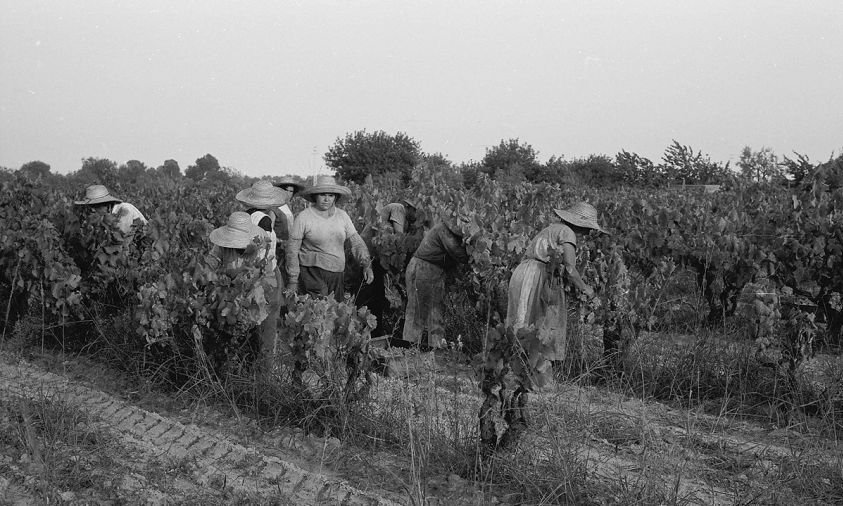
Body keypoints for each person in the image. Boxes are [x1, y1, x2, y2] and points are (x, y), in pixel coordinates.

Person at [505, 201, 608, 362]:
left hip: (522, 272)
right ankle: (535, 370)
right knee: (543, 323)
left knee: (523, 319)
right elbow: (570, 269)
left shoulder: (552, 228)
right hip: (537, 276)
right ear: (579, 224)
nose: (588, 233)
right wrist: (586, 289)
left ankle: (519, 365)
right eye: (588, 228)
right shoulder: (568, 233)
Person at [285, 175, 373, 301]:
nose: (326, 199)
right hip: (311, 272)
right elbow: (292, 249)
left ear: (335, 197)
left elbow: (356, 242)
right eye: (322, 195)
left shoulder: (342, 216)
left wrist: (366, 265)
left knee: (335, 310)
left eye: (330, 195)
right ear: (315, 196)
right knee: (317, 308)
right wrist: (293, 279)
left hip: (336, 272)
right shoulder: (304, 217)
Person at [235, 180, 289, 357]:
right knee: (267, 327)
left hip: (246, 274)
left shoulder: (245, 216)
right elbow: (261, 250)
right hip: (263, 276)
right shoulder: (264, 220)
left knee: (250, 324)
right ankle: (265, 376)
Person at [401, 216, 469, 350]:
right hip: (422, 270)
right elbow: (459, 254)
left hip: (435, 272)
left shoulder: (449, 232)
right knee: (417, 315)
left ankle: (436, 354)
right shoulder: (443, 230)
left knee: (436, 315)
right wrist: (476, 251)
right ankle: (408, 354)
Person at [74, 184, 147, 233]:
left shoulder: (124, 209)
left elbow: (123, 237)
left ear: (105, 205)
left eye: (95, 207)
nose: (93, 210)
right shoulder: (107, 216)